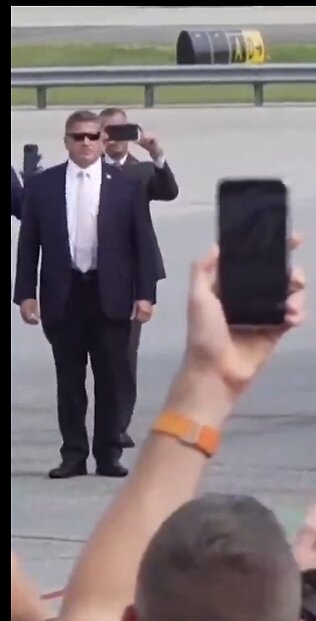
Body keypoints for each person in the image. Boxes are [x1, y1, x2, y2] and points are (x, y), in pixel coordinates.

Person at [12, 109, 160, 480]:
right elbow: (29, 244)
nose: (86, 143)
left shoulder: (125, 185)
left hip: (109, 294)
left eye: (92, 136)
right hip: (64, 295)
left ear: (102, 140)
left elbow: (142, 244)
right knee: (70, 381)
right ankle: (73, 454)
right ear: (66, 141)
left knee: (110, 378)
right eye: (78, 137)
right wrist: (25, 294)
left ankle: (108, 454)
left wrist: (145, 295)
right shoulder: (44, 186)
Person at [99, 107, 181, 449]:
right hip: (90, 275)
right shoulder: (84, 170)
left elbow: (169, 190)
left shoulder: (141, 171)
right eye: (107, 131)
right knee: (92, 358)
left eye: (121, 131)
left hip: (130, 278)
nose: (114, 138)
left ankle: (117, 425)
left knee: (123, 357)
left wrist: (156, 154)